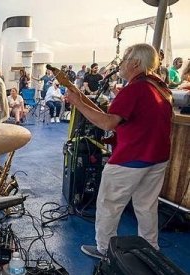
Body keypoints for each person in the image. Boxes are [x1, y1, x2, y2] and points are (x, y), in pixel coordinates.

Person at [65, 43, 172, 259]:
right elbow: (143, 122)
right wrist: (83, 99)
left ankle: (104, 248)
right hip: (157, 158)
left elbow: (107, 122)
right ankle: (150, 248)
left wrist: (77, 103)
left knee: (109, 204)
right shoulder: (160, 87)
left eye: (125, 58)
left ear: (135, 63)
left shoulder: (134, 89)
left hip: (131, 159)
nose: (121, 63)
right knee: (146, 206)